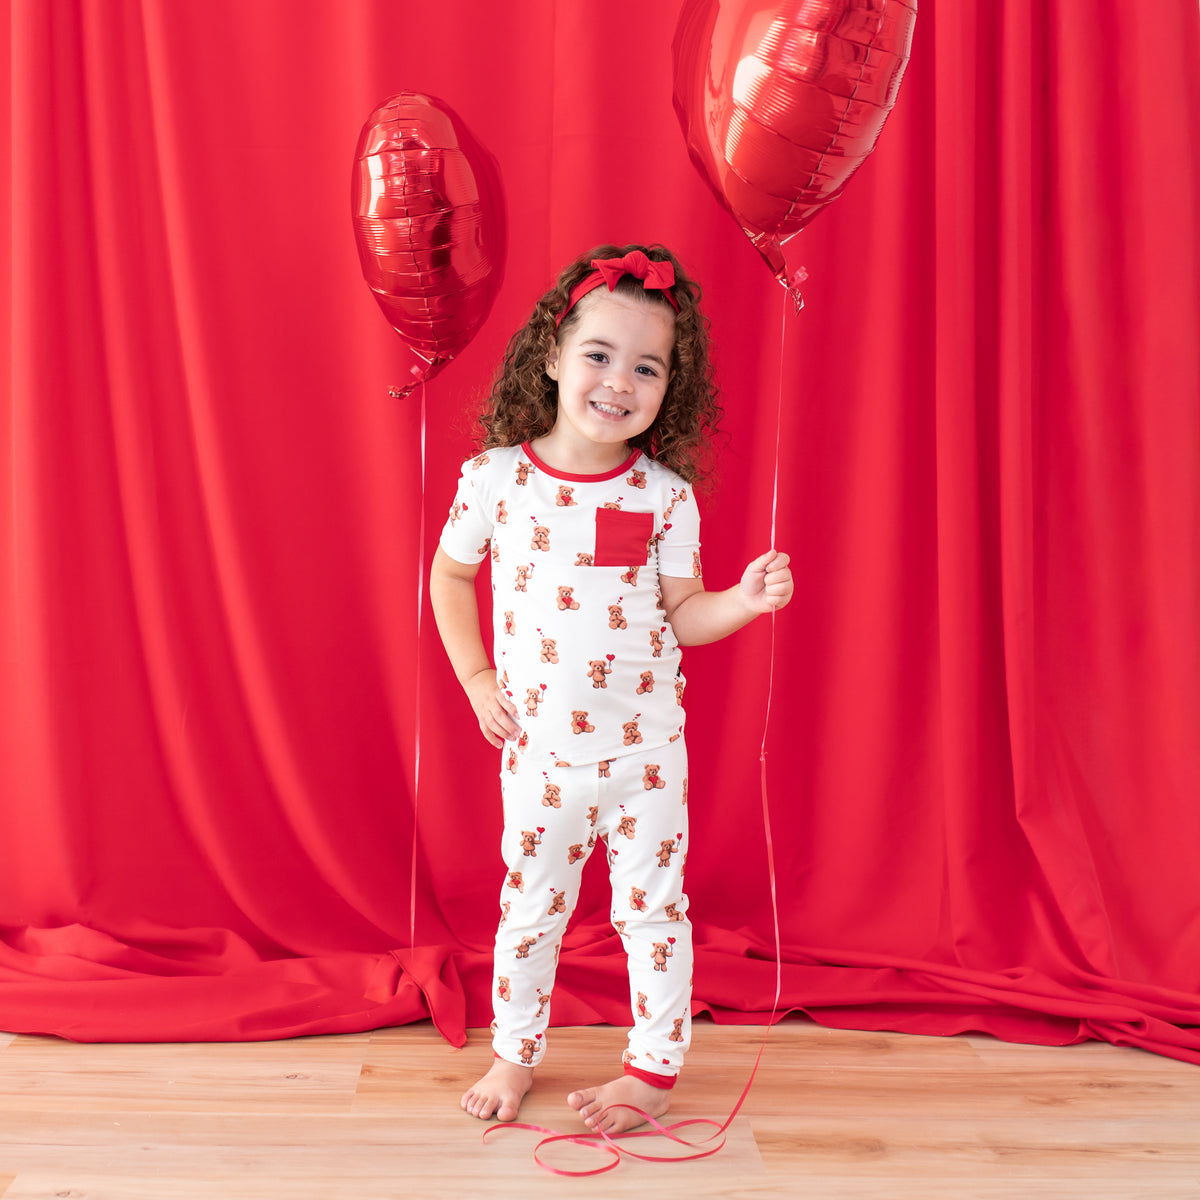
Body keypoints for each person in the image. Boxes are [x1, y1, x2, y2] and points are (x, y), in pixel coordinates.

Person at [429, 243, 793, 1135]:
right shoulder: (495, 479)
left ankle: (652, 1071)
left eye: (647, 367)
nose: (618, 382)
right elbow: (448, 579)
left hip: (646, 755)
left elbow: (683, 615)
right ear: (552, 355)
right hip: (541, 753)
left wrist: (741, 603)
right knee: (531, 908)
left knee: (654, 912)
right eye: (598, 355)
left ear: (672, 386)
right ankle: (515, 1055)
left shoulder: (665, 497)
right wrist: (476, 675)